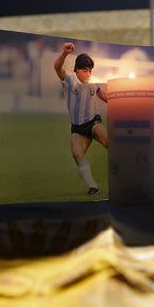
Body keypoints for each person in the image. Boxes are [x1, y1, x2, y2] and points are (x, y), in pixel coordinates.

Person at [54, 42, 108, 196]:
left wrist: (119, 103)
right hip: (78, 128)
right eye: (85, 70)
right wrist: (64, 53)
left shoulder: (93, 82)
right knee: (76, 153)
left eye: (90, 70)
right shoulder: (70, 80)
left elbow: (103, 95)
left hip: (93, 122)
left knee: (110, 142)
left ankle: (127, 172)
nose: (88, 74)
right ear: (77, 69)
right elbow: (57, 68)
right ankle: (93, 187)